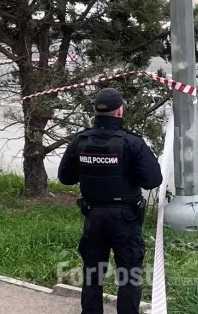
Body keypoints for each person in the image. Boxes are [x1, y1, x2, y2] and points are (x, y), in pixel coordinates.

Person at [58, 88, 163, 314]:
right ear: (119, 111)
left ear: (95, 111)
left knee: (92, 272)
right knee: (129, 274)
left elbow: (65, 177)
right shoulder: (131, 143)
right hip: (125, 218)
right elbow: (153, 180)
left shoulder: (81, 141)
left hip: (93, 216)